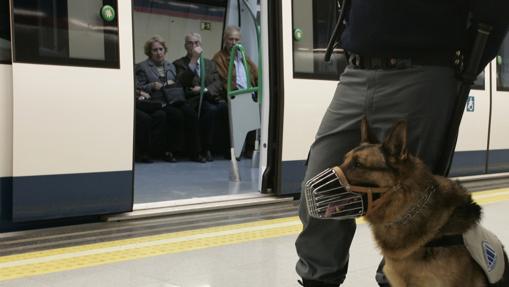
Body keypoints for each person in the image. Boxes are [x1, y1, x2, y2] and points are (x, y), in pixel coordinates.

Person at [295, 1, 509, 287]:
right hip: (356, 72)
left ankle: (394, 281)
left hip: (423, 72)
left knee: (413, 198)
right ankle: (318, 280)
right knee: (321, 184)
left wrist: (462, 65)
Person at [136, 35, 206, 163]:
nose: (158, 53)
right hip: (158, 100)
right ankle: (170, 150)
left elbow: (179, 82)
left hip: (173, 97)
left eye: (161, 49)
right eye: (155, 50)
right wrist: (152, 85)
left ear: (165, 50)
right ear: (149, 52)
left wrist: (172, 82)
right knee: (176, 115)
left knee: (191, 113)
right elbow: (138, 86)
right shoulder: (142, 67)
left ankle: (196, 152)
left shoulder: (170, 66)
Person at [174, 32, 228, 161]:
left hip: (209, 96)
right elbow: (183, 83)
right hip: (192, 99)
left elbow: (218, 82)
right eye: (190, 43)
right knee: (210, 110)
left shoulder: (209, 63)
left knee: (225, 108)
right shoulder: (179, 63)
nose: (193, 45)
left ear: (201, 45)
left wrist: (204, 89)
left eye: (196, 43)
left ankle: (226, 148)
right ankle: (205, 149)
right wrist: (193, 61)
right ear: (185, 46)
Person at [213, 26, 258, 158]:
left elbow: (256, 73)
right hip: (233, 94)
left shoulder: (244, 56)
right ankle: (234, 150)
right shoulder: (219, 58)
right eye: (231, 39)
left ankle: (250, 149)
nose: (234, 43)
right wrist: (238, 93)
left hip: (249, 93)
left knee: (255, 112)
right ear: (225, 40)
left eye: (237, 40)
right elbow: (223, 80)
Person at [134, 89, 167, 163]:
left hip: (144, 99)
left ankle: (154, 150)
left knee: (160, 115)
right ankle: (142, 153)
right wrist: (139, 92)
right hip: (132, 101)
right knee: (145, 119)